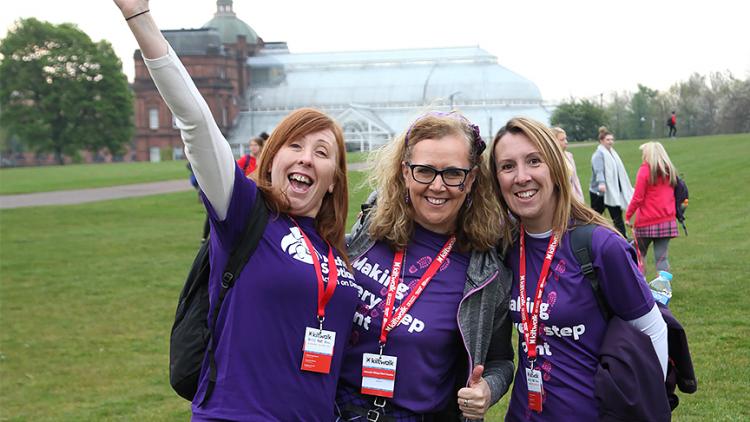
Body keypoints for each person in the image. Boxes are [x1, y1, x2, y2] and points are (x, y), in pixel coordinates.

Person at [113, 1, 359, 420]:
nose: (304, 159)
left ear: (334, 177)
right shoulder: (244, 212)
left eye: (321, 152)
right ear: (271, 157)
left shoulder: (336, 253)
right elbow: (196, 122)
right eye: (294, 146)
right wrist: (140, 18)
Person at [338, 111, 514, 420]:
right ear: (405, 172)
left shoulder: (487, 275)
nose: (437, 185)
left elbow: (501, 360)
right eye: (424, 171)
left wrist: (487, 389)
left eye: (452, 173)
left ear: (470, 179)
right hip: (331, 407)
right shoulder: (369, 232)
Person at [490, 117, 668, 421]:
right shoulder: (504, 247)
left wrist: (640, 405)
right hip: (524, 413)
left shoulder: (600, 246)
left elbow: (652, 329)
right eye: (507, 166)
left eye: (534, 161)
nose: (521, 177)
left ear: (556, 169)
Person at [625, 141, 679, 275]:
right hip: (667, 221)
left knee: (640, 257)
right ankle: (663, 290)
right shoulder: (670, 171)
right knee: (662, 258)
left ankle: (640, 289)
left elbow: (638, 197)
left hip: (646, 222)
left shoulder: (644, 171)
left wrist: (628, 215)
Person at [589, 126, 633, 238]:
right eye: (608, 140)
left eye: (612, 139)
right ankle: (590, 236)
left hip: (613, 191)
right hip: (599, 192)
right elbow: (599, 171)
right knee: (595, 217)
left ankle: (623, 238)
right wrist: (602, 183)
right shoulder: (598, 155)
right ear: (601, 141)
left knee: (617, 216)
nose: (610, 142)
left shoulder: (613, 153)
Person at [550, 127, 583, 202]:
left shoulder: (569, 156)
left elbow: (575, 180)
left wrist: (579, 197)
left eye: (566, 139)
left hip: (573, 197)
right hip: (560, 199)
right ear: (553, 141)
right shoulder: (550, 159)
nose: (566, 142)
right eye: (562, 140)